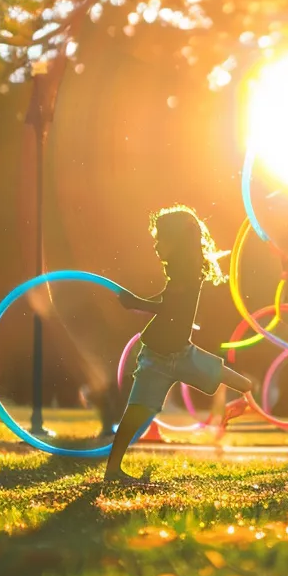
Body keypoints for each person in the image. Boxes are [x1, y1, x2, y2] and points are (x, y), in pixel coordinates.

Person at [105, 206, 255, 485]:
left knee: (233, 379)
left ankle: (246, 399)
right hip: (157, 358)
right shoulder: (179, 272)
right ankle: (113, 471)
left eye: (161, 239)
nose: (156, 244)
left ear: (178, 241)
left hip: (183, 354)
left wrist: (135, 303)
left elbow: (170, 307)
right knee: (136, 412)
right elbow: (168, 301)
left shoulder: (189, 272)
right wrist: (139, 302)